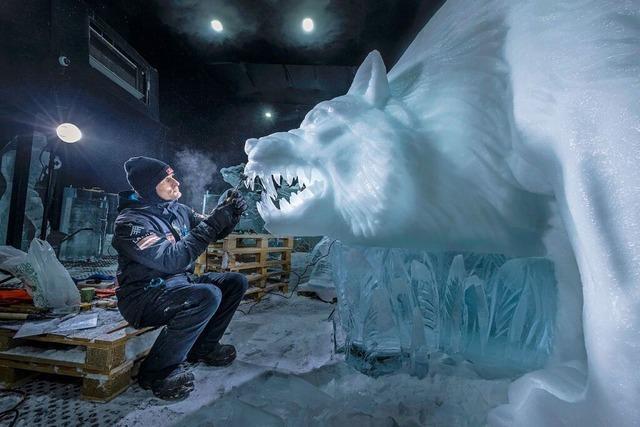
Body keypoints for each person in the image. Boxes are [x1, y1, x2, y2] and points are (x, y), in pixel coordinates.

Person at [112, 156, 248, 400]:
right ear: (147, 188)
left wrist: (230, 213)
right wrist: (215, 222)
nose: (176, 182)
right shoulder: (131, 223)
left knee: (234, 283)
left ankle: (203, 349)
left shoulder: (177, 209)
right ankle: (156, 372)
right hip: (143, 297)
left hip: (177, 285)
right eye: (166, 179)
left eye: (172, 176)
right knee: (206, 295)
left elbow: (210, 228)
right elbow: (173, 259)